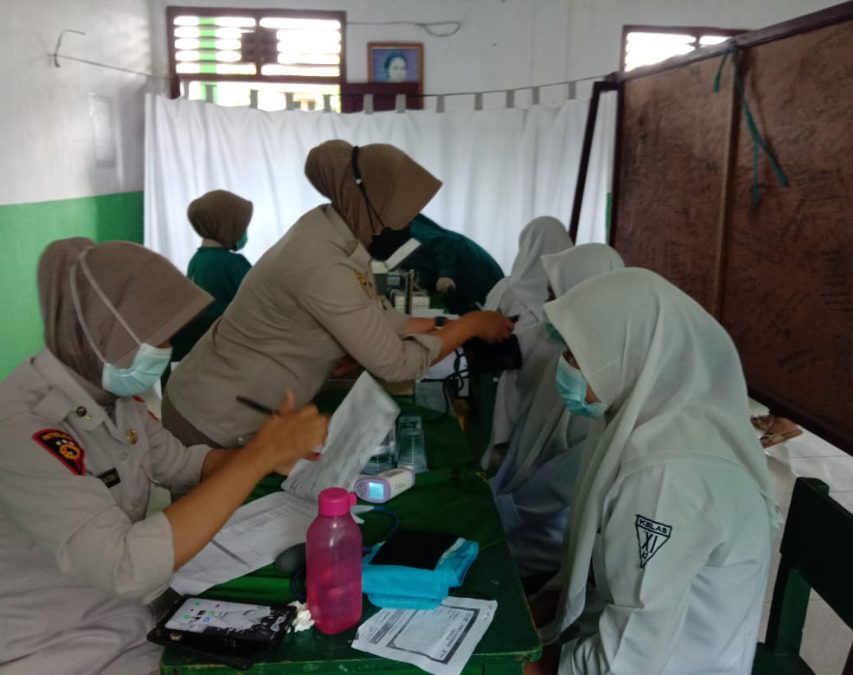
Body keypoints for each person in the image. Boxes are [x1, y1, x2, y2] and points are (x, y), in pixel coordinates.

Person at [0, 238, 328, 674]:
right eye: (155, 337)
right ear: (102, 334)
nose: (166, 348)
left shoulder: (110, 395)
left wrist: (267, 453)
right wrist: (257, 458)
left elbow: (182, 464)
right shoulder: (25, 430)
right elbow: (126, 566)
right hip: (64, 652)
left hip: (135, 621)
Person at [163, 141, 512, 448]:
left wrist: (441, 322)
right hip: (214, 417)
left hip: (232, 399)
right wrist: (470, 325)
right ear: (367, 205)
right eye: (398, 218)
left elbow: (374, 313)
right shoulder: (322, 262)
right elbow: (395, 364)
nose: (403, 229)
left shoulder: (328, 227)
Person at [528, 268, 780, 675]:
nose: (566, 369)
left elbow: (628, 661)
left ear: (631, 353)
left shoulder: (667, 476)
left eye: (579, 355)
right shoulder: (661, 427)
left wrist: (527, 668)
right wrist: (544, 609)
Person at [489, 244, 625, 584]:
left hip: (546, 536)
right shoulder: (564, 353)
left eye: (557, 295)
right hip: (518, 511)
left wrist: (501, 511)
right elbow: (529, 441)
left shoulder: (601, 376)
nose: (549, 306)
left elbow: (565, 481)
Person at [482, 217, 573, 455]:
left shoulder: (508, 288)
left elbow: (484, 323)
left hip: (511, 373)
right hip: (560, 388)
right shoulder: (573, 291)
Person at [164, 189, 254, 388]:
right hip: (232, 351)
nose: (244, 233)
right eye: (242, 227)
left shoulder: (197, 261)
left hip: (206, 353)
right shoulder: (231, 263)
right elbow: (260, 301)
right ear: (227, 226)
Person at [368, 213, 505, 315]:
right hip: (453, 281)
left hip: (472, 271)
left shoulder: (396, 221)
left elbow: (442, 243)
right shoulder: (372, 240)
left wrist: (446, 274)